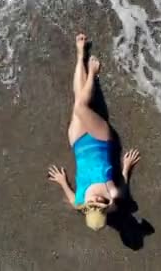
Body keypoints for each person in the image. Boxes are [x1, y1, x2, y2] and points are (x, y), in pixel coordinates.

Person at [48, 33, 141, 231]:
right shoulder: (113, 195)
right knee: (81, 107)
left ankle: (81, 56)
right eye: (101, 204)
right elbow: (123, 187)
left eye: (93, 204)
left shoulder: (79, 203)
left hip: (79, 144)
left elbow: (72, 198)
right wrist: (126, 167)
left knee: (78, 102)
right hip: (101, 141)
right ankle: (91, 71)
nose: (97, 200)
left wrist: (62, 182)